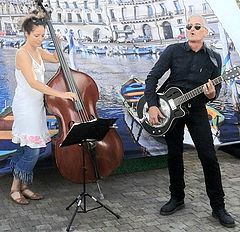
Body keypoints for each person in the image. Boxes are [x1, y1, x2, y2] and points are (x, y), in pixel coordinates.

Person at [144, 15, 235, 228]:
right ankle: (177, 198)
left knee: (209, 157)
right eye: (188, 26)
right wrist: (153, 105)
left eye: (196, 27)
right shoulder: (173, 51)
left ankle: (218, 207)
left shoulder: (214, 58)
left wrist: (212, 93)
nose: (191, 29)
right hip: (169, 110)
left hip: (196, 111)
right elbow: (152, 78)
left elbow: (216, 91)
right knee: (174, 155)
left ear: (205, 31)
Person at [10, 14, 78, 205]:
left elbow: (56, 58)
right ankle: (15, 187)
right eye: (36, 36)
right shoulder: (21, 54)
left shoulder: (38, 51)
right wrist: (62, 95)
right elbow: (33, 83)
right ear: (26, 33)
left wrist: (58, 42)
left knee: (26, 147)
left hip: (36, 105)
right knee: (33, 150)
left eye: (42, 36)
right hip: (25, 105)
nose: (40, 39)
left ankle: (22, 186)